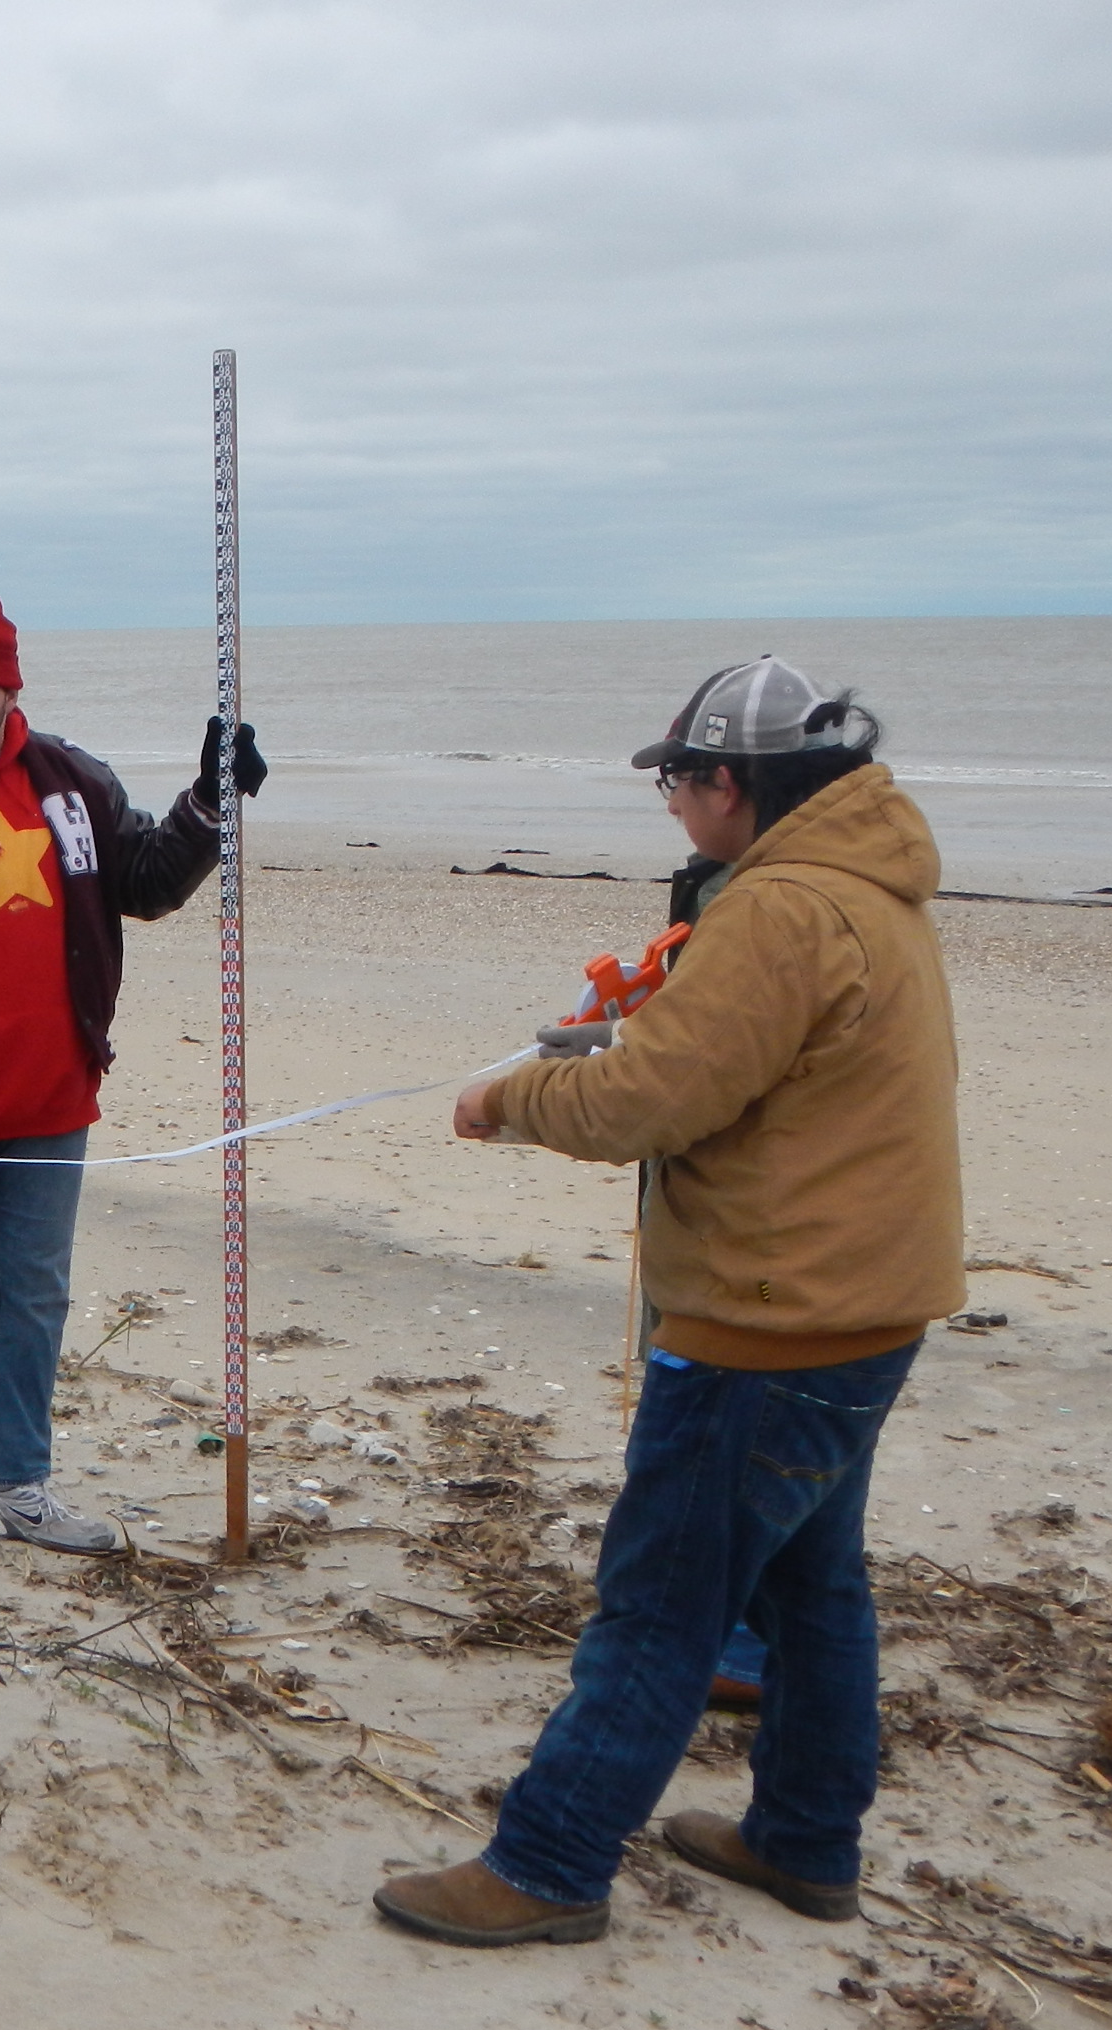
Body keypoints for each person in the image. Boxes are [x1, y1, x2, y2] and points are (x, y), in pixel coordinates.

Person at [374, 656, 961, 1948]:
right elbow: (740, 1064)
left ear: (735, 784)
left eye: (684, 782)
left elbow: (654, 1102)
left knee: (661, 1603)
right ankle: (807, 1840)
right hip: (865, 1306)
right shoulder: (869, 886)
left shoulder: (784, 909)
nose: (674, 807)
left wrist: (508, 1101)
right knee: (815, 1590)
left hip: (772, 1314)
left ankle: (551, 1862)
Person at [0, 585, 253, 1552]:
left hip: (54, 1091)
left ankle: (15, 1478)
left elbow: (146, 881)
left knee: (32, 1290)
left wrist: (207, 804)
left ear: (8, 689)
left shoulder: (72, 782)